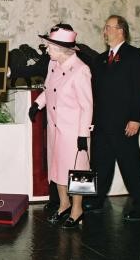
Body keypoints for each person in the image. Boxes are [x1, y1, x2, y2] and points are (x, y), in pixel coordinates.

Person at [84, 15, 140, 222]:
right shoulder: (101, 59)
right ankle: (96, 199)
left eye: (108, 27)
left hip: (125, 123)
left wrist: (136, 118)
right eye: (104, 28)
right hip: (102, 124)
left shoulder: (134, 55)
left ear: (121, 30)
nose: (105, 31)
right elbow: (95, 93)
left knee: (130, 164)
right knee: (100, 164)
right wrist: (92, 120)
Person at [29, 24, 93, 229]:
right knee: (57, 169)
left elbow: (87, 105)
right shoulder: (53, 64)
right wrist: (37, 104)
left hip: (74, 132)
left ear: (63, 49)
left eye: (50, 46)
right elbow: (49, 89)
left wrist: (83, 135)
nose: (46, 50)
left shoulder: (81, 70)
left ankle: (78, 209)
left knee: (78, 171)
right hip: (55, 128)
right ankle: (64, 204)